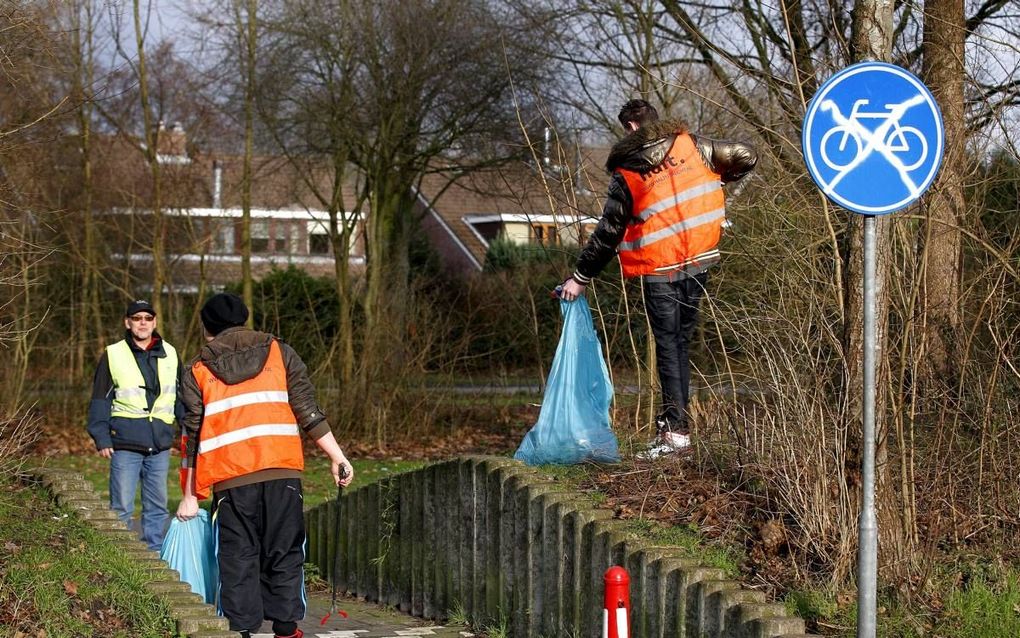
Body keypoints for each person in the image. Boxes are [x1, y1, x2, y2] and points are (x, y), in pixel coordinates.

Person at [560, 99, 757, 459]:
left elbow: (609, 231)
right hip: (699, 260)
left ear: (632, 128)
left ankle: (675, 433)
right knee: (680, 342)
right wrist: (719, 182)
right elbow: (746, 154)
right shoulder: (693, 146)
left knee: (669, 346)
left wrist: (580, 277)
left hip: (660, 268)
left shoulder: (629, 170)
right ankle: (678, 429)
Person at [175, 292, 355, 638]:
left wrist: (189, 494)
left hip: (230, 481)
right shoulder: (280, 352)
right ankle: (286, 630)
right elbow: (308, 410)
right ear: (244, 319)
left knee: (237, 556)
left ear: (206, 329)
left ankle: (241, 631)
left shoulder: (196, 369)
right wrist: (337, 457)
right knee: (284, 550)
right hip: (282, 473)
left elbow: (192, 437)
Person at [87, 299, 183, 551]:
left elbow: (180, 396)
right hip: (125, 442)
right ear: (127, 322)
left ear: (155, 322)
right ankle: (119, 557)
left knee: (158, 507)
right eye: (137, 318)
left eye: (147, 318)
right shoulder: (114, 353)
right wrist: (101, 436)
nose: (143, 323)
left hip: (160, 443)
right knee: (121, 507)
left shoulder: (171, 353)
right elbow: (100, 397)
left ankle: (155, 556)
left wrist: (189, 432)